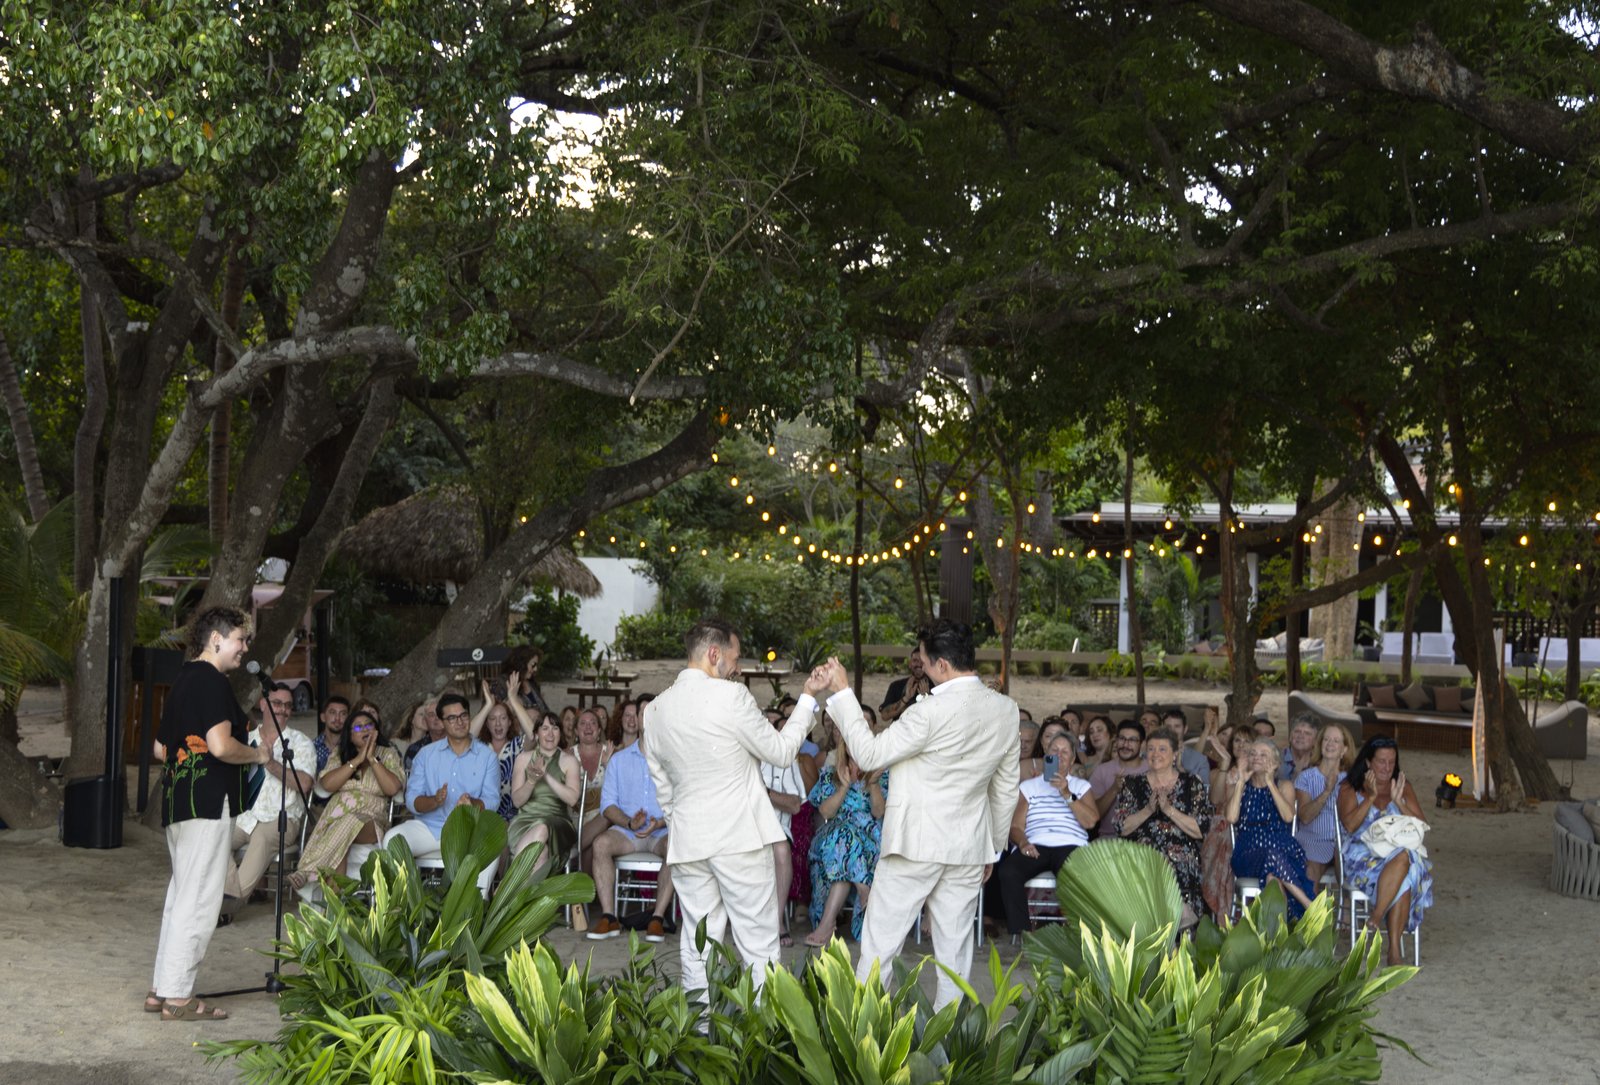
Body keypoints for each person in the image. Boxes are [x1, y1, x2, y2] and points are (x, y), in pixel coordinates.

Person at [819, 618, 1019, 1010]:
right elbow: (1005, 787)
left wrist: (843, 693)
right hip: (968, 847)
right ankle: (948, 1047)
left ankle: (866, 1034)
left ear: (943, 665)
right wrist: (991, 848)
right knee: (955, 954)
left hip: (915, 843)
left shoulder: (929, 712)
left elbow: (871, 755)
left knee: (880, 944)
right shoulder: (1006, 711)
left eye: (925, 662)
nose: (922, 669)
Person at [640, 618, 825, 995]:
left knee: (696, 945)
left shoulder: (654, 711)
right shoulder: (732, 697)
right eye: (735, 657)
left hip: (690, 841)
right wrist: (807, 697)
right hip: (740, 839)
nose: (738, 667)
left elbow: (664, 790)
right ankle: (763, 1036)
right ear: (713, 654)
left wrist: (685, 826)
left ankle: (698, 1034)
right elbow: (781, 751)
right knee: (758, 945)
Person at [147, 606, 271, 1021]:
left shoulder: (182, 681)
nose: (245, 648)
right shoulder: (213, 682)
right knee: (200, 898)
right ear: (216, 639)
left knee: (181, 894)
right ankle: (179, 998)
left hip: (179, 801)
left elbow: (161, 749)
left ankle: (161, 989)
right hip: (209, 802)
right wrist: (256, 753)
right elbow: (220, 746)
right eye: (241, 639)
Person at [385, 693, 501, 896]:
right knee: (393, 839)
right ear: (441, 722)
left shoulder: (487, 757)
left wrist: (473, 803)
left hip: (469, 833)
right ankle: (409, 903)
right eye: (452, 718)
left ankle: (475, 909)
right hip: (431, 828)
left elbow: (493, 800)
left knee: (492, 847)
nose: (460, 722)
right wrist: (435, 801)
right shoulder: (425, 755)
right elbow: (412, 800)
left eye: (463, 716)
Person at [988, 732, 1099, 938]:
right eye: (1054, 751)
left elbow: (1091, 821)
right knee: (1009, 871)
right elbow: (1016, 826)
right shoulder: (1029, 786)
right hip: (1036, 844)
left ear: (1073, 759)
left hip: (1070, 844)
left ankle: (1078, 934)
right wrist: (1023, 843)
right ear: (1045, 755)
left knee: (1078, 876)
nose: (1059, 755)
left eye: (1065, 752)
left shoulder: (1081, 786)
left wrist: (1066, 793)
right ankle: (1022, 935)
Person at [1337, 737, 1433, 965]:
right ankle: (1394, 951)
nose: (1387, 767)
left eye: (1391, 762)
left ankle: (1377, 916)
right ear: (1369, 762)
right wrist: (1369, 798)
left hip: (1399, 853)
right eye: (1381, 761)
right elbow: (1350, 826)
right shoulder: (1350, 787)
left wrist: (1399, 802)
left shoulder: (1402, 785)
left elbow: (1422, 826)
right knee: (1407, 870)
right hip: (1362, 857)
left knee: (1405, 859)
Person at [290, 707, 405, 894]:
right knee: (342, 836)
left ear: (376, 730)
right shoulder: (340, 754)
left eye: (369, 725)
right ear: (350, 736)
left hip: (371, 820)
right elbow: (327, 785)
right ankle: (336, 908)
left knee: (350, 820)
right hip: (337, 818)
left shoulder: (388, 754)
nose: (365, 729)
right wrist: (357, 760)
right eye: (358, 728)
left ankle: (306, 869)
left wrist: (372, 759)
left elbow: (392, 788)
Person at [222, 682, 315, 909]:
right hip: (244, 815)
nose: (283, 709)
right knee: (216, 835)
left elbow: (304, 785)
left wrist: (271, 763)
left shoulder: (301, 742)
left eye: (288, 705)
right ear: (263, 704)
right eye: (277, 703)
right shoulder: (244, 740)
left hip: (281, 818)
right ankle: (226, 898)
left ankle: (228, 905)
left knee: (261, 839)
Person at [587, 708, 676, 942]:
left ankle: (656, 918)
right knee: (601, 844)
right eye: (642, 713)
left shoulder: (672, 760)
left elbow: (682, 803)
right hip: (628, 832)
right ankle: (609, 917)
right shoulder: (619, 760)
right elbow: (608, 805)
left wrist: (659, 822)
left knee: (676, 846)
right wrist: (629, 821)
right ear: (637, 720)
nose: (646, 719)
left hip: (661, 832)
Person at [1111, 728, 1209, 920]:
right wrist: (1148, 809)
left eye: (1162, 749)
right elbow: (1121, 827)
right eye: (1151, 749)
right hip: (1141, 853)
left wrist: (1168, 809)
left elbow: (1200, 830)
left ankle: (1166, 923)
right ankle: (1171, 921)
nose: (1155, 754)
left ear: (1175, 754)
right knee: (1152, 857)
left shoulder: (1191, 783)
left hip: (1181, 853)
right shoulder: (1133, 783)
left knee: (1171, 858)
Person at [804, 724, 888, 946]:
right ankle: (863, 888)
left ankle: (826, 924)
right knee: (841, 836)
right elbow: (825, 812)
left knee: (844, 847)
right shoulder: (831, 774)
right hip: (830, 838)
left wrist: (872, 783)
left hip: (870, 843)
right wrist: (843, 787)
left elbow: (879, 812)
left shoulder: (881, 774)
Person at [1226, 739, 1315, 917]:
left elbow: (1288, 817)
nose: (1256, 757)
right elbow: (1231, 817)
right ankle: (1309, 905)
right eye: (1253, 754)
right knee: (1271, 856)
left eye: (1263, 754)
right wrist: (1241, 783)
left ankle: (1277, 935)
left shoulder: (1284, 786)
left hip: (1284, 850)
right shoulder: (1239, 785)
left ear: (1275, 762)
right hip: (1248, 853)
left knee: (1272, 879)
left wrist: (1270, 782)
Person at [507, 709, 581, 875]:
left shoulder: (569, 761)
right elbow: (517, 801)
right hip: (524, 823)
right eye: (545, 728)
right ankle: (524, 897)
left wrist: (546, 776)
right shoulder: (523, 759)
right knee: (540, 854)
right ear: (536, 733)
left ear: (560, 733)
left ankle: (509, 884)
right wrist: (531, 781)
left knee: (542, 827)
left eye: (555, 728)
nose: (550, 733)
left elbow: (572, 799)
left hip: (558, 824)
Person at [759, 710, 810, 947]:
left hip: (778, 828)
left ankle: (777, 920)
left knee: (780, 849)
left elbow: (794, 805)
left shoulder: (786, 761)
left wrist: (765, 793)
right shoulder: (743, 756)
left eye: (773, 725)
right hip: (745, 826)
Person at [1294, 723, 1355, 884]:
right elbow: (1305, 817)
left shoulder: (1351, 780)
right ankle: (1311, 910)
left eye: (1336, 741)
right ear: (1320, 745)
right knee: (1309, 875)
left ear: (1344, 750)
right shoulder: (1306, 777)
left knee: (1352, 871)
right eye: (1326, 739)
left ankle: (1345, 907)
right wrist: (1326, 792)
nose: (1330, 744)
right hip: (1313, 839)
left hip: (1342, 841)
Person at [474, 679, 525, 821]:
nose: (498, 723)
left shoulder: (517, 745)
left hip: (512, 816)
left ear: (509, 722)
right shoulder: (479, 747)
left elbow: (533, 734)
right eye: (492, 718)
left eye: (503, 718)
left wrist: (513, 700)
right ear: (486, 723)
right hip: (481, 814)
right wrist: (488, 705)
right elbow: (466, 737)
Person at [1090, 720, 1148, 837]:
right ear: (1116, 741)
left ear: (1141, 744)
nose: (1125, 745)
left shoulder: (1152, 769)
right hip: (1110, 838)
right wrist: (1114, 789)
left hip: (1146, 838)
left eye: (1132, 740)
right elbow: (1094, 815)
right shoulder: (1102, 770)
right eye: (1122, 739)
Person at [571, 708, 613, 869]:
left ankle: (571, 848)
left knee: (603, 825)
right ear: (576, 730)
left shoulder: (610, 753)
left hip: (601, 820)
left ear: (599, 730)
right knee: (592, 844)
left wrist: (608, 765)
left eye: (593, 723)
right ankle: (588, 892)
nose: (588, 727)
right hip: (573, 818)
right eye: (583, 723)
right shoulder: (567, 755)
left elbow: (618, 791)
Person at [878, 650, 931, 723]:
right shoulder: (896, 685)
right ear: (910, 664)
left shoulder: (937, 686)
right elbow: (884, 716)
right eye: (915, 660)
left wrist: (926, 698)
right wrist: (906, 698)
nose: (919, 664)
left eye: (922, 661)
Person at [500, 644, 550, 713]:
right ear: (522, 663)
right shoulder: (502, 683)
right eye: (533, 665)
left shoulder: (532, 683)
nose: (535, 669)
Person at [402, 700, 443, 773]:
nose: (436, 718)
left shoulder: (457, 742)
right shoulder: (414, 749)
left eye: (439, 714)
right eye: (431, 715)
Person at [313, 695, 350, 773]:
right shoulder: (312, 747)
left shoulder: (352, 747)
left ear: (349, 719)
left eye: (343, 714)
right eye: (332, 713)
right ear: (323, 717)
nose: (337, 718)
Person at [1278, 714, 1319, 782]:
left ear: (1315, 741)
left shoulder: (1319, 763)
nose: (1301, 736)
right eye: (1297, 731)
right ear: (1290, 736)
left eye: (1307, 733)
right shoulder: (1276, 758)